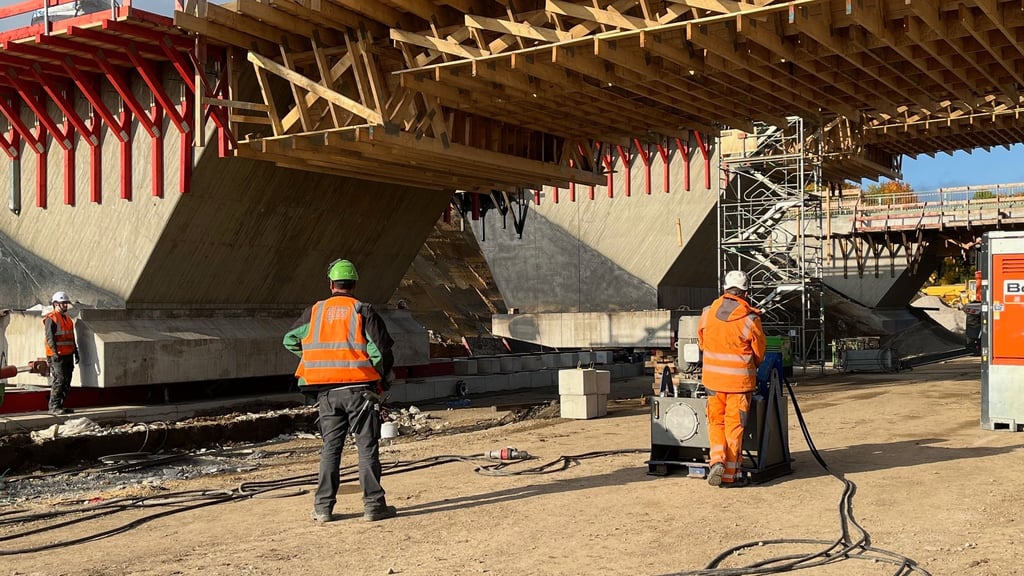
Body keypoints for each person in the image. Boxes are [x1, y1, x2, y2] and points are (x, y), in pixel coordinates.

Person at [283, 259, 398, 523]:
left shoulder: (315, 312)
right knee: (366, 448)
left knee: (331, 449)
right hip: (360, 392)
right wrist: (381, 380)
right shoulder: (362, 310)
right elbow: (380, 351)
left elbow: (289, 339)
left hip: (327, 393)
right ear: (354, 284)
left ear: (331, 284)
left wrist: (315, 358)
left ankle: (323, 508)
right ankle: (374, 506)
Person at [697, 270, 766, 487]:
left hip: (713, 382)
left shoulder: (707, 313)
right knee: (733, 427)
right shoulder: (750, 319)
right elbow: (759, 353)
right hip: (739, 384)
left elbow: (702, 343)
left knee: (715, 422)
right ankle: (729, 476)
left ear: (725, 289)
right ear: (746, 292)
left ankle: (717, 459)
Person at [43, 291, 79, 415]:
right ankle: (54, 407)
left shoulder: (68, 319)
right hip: (57, 355)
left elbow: (71, 338)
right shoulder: (51, 318)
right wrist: (54, 353)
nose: (65, 305)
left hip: (68, 354)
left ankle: (60, 406)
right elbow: (50, 338)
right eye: (63, 303)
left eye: (66, 303)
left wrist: (76, 352)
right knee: (60, 380)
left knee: (67, 381)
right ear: (55, 304)